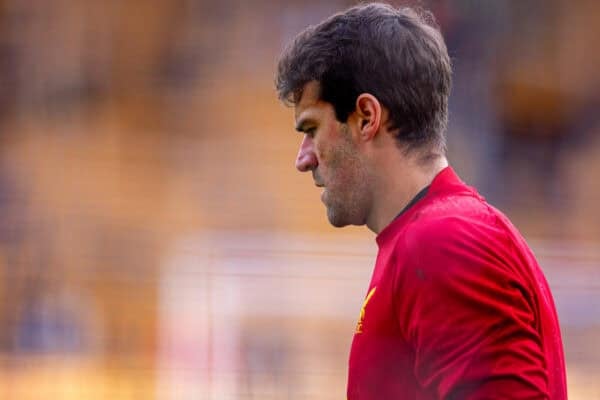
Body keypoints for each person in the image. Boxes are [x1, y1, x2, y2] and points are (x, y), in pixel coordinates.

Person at [275, 3, 567, 399]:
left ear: (366, 117)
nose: (303, 158)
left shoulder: (442, 241)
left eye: (311, 128)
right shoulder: (428, 238)